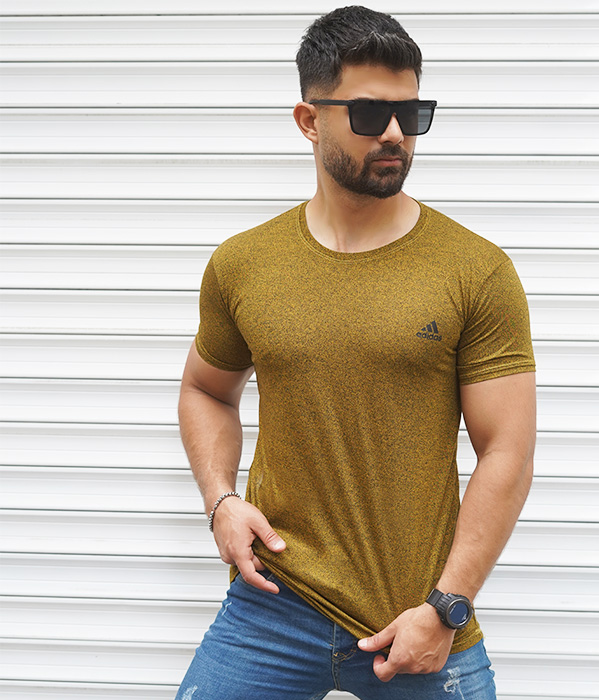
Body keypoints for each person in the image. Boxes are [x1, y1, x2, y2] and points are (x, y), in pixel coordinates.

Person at [175, 6, 536, 699]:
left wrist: (447, 606)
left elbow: (508, 451)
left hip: (418, 618)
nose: (396, 133)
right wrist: (221, 501)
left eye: (412, 113)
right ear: (309, 120)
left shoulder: (476, 270)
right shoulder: (243, 264)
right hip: (273, 603)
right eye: (370, 114)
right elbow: (205, 390)